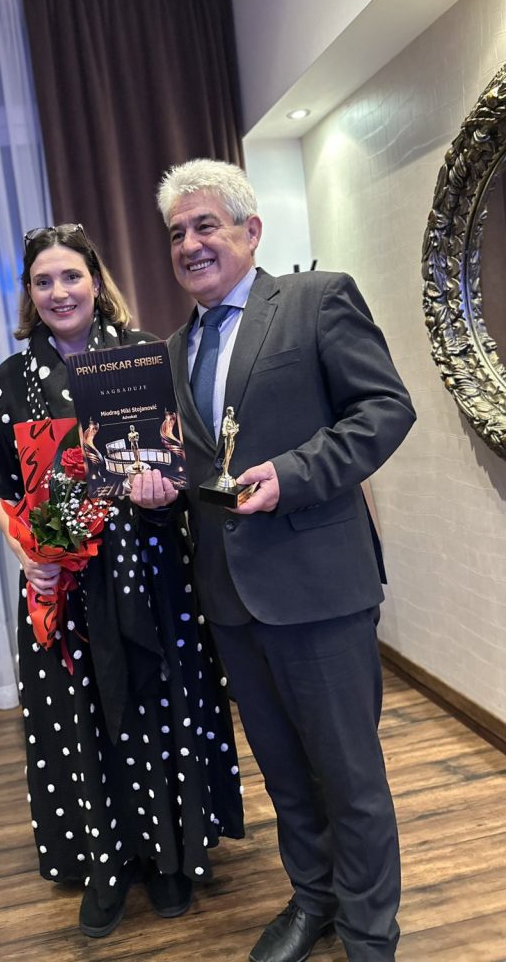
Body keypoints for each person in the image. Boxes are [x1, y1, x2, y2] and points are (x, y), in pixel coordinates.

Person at [131, 160, 416, 962]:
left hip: (319, 588)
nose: (190, 244)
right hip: (229, 599)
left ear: (250, 231)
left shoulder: (317, 300)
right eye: (177, 233)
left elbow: (386, 409)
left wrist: (293, 474)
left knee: (349, 777)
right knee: (285, 774)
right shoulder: (171, 351)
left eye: (206, 225)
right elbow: (192, 467)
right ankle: (313, 898)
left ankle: (369, 932)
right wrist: (156, 490)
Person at [0, 222, 244, 939]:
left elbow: (185, 464)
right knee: (82, 717)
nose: (60, 292)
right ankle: (104, 865)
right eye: (44, 281)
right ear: (30, 294)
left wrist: (166, 490)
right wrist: (25, 552)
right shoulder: (10, 381)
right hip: (62, 578)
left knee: (158, 704)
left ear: (96, 281)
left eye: (72, 276)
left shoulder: (145, 356)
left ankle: (170, 856)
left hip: (148, 566)